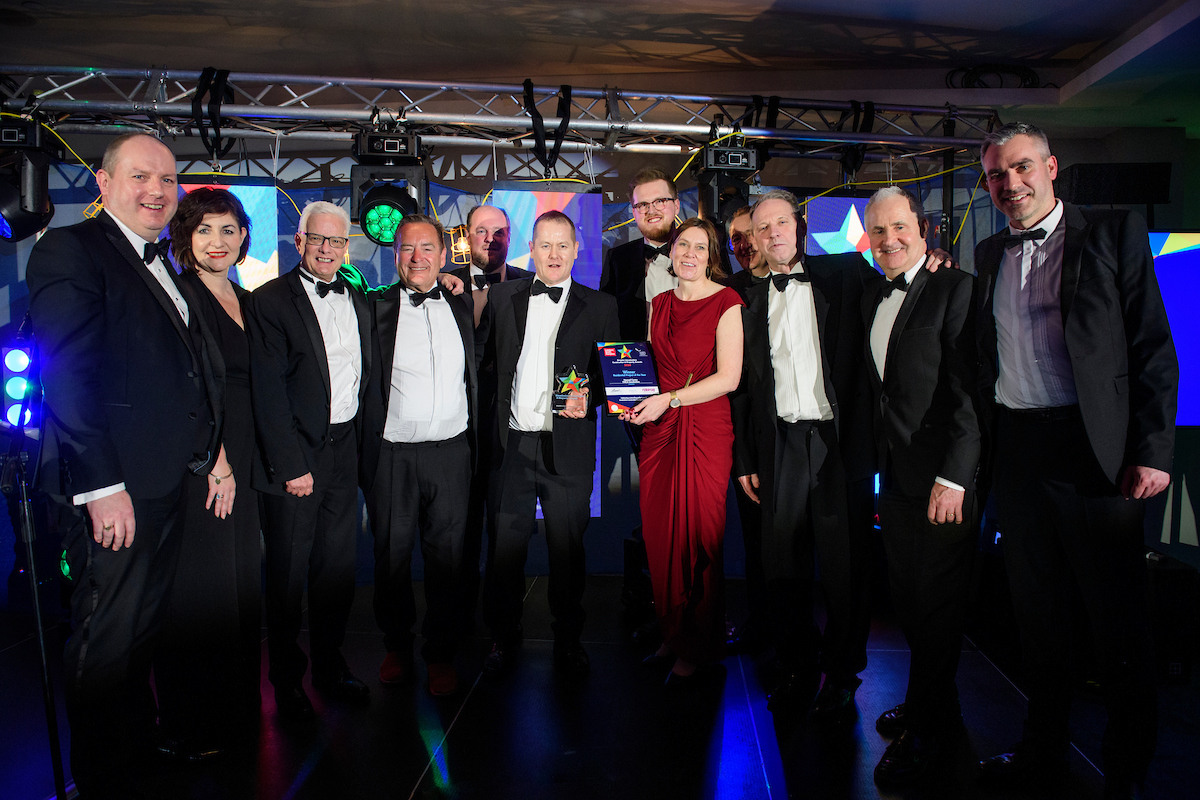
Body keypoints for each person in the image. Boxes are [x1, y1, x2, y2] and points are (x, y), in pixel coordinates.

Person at [973, 123, 1177, 799]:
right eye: (998, 176)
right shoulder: (989, 249)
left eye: (1022, 168)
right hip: (1021, 452)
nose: (1011, 185)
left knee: (1117, 623)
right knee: (1038, 619)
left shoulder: (1112, 233)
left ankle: (1126, 772)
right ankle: (1043, 748)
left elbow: (1152, 346)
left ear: (1052, 167)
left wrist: (1152, 450)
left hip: (1099, 456)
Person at [26, 132, 223, 798]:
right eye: (141, 177)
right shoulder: (72, 250)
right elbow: (69, 375)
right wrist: (102, 487)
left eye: (168, 181)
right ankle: (101, 778)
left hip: (163, 481)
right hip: (117, 488)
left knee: (141, 631)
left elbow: (181, 369)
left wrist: (209, 450)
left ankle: (135, 749)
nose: (157, 191)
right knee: (106, 636)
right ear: (105, 185)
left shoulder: (158, 259)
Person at [733, 189, 880, 719]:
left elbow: (903, 283)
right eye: (761, 228)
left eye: (780, 223)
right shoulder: (742, 295)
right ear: (751, 238)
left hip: (837, 442)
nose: (772, 234)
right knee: (783, 566)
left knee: (844, 569)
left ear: (797, 225)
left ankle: (842, 675)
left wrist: (935, 259)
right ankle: (796, 667)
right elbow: (743, 389)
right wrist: (745, 457)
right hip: (780, 444)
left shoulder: (846, 271)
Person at [858, 187, 980, 786]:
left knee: (935, 604)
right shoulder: (873, 293)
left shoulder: (956, 289)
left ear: (923, 228)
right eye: (879, 231)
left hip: (942, 480)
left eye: (899, 227)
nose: (890, 240)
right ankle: (935, 703)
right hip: (895, 476)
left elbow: (968, 393)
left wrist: (956, 474)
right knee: (908, 597)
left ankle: (927, 733)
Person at [245, 200, 373, 720]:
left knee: (336, 570)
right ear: (298, 243)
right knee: (287, 573)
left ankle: (329, 664)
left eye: (336, 241)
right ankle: (286, 680)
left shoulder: (359, 297)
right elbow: (268, 393)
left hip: (346, 450)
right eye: (317, 239)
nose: (327, 249)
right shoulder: (270, 301)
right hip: (297, 456)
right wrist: (291, 464)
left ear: (348, 247)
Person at [481, 209, 620, 676]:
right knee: (504, 552)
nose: (554, 254)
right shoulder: (502, 297)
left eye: (563, 245)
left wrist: (591, 398)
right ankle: (503, 636)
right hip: (512, 444)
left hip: (570, 448)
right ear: (532, 249)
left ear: (577, 249)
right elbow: (484, 368)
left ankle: (568, 638)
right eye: (545, 245)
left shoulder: (601, 306)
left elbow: (610, 377)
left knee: (567, 552)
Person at [154, 188, 262, 758]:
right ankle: (188, 724)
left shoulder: (245, 299)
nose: (217, 242)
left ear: (244, 237)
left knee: (239, 589)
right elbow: (180, 389)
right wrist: (213, 459)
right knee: (200, 594)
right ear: (185, 238)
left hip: (243, 463)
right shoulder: (182, 296)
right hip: (207, 465)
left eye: (227, 230)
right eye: (203, 231)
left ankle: (234, 714)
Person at [621, 218, 743, 684]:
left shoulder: (727, 301)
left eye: (699, 247)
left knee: (698, 540)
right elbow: (651, 367)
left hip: (705, 428)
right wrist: (632, 400)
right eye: (682, 245)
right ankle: (673, 634)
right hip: (661, 428)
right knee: (661, 537)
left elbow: (728, 378)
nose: (689, 254)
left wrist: (667, 400)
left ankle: (697, 646)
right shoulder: (659, 303)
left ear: (712, 255)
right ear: (671, 252)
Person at [360, 214, 478, 697]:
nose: (417, 258)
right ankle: (396, 645)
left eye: (427, 249)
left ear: (443, 255)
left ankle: (440, 653)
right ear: (395, 255)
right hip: (392, 455)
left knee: (447, 561)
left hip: (451, 452)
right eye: (408, 249)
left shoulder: (463, 303)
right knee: (390, 557)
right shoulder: (373, 307)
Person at [445, 204, 533, 636]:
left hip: (507, 432)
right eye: (482, 231)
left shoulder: (531, 285)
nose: (490, 239)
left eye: (499, 232)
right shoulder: (440, 283)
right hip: (453, 433)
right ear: (466, 235)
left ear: (510, 236)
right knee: (457, 534)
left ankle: (504, 630)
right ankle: (456, 625)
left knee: (505, 539)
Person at [723, 203, 772, 656]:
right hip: (751, 446)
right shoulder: (727, 293)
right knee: (757, 546)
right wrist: (743, 458)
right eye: (735, 238)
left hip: (811, 441)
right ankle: (761, 628)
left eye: (749, 233)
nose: (743, 244)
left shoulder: (822, 279)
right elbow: (733, 390)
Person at [600, 167, 681, 340]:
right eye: (643, 204)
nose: (651, 211)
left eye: (660, 201)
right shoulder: (617, 259)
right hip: (636, 362)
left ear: (676, 206)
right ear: (634, 212)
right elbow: (606, 324)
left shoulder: (703, 253)